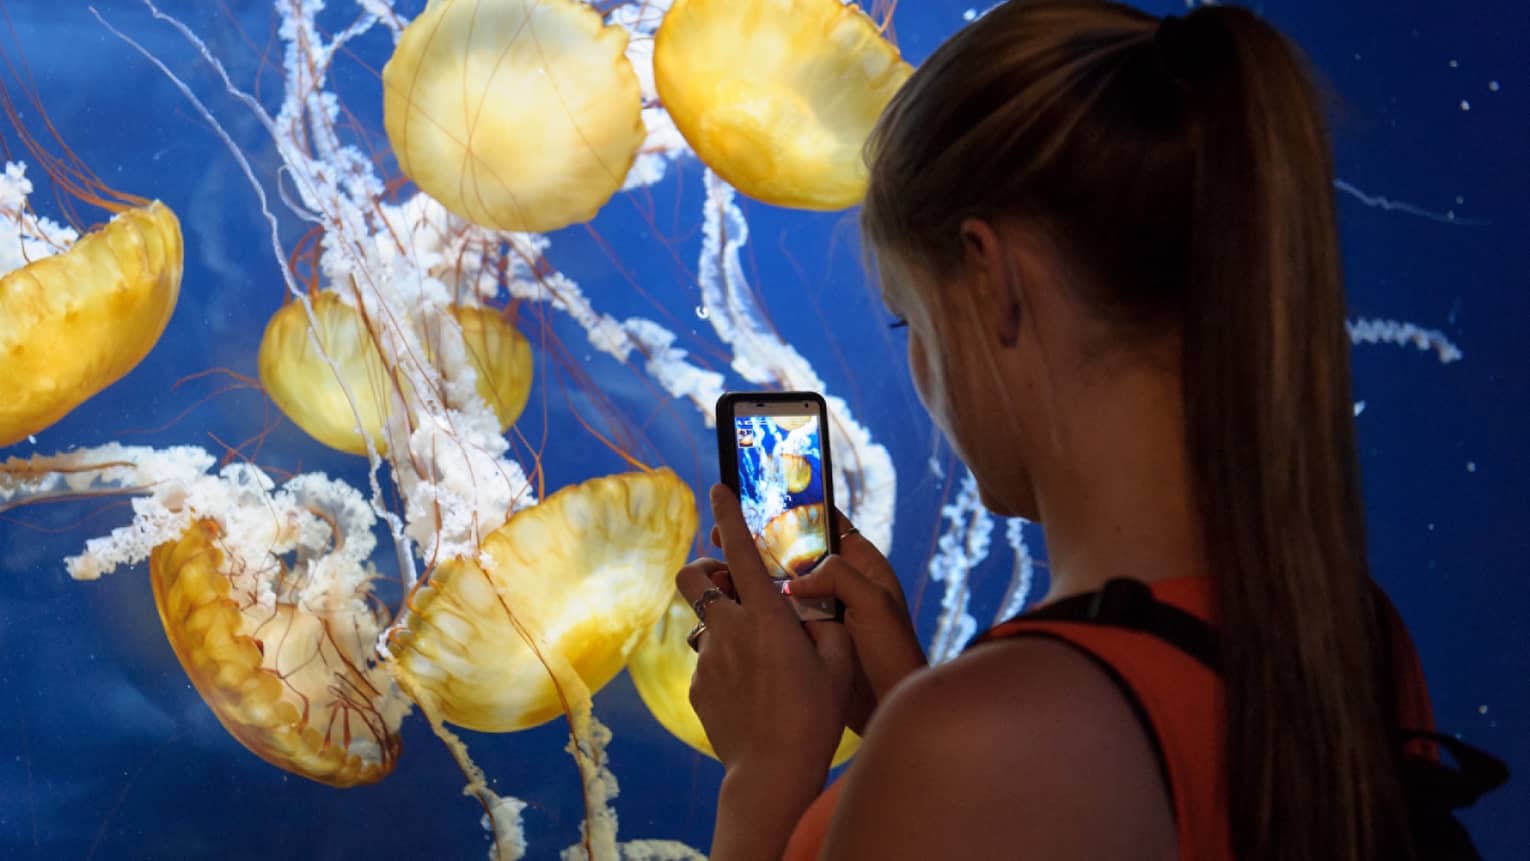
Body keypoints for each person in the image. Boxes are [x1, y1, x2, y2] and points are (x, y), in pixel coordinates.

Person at [674, 2, 1434, 858]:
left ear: (994, 281)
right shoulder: (1357, 641)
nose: (923, 369)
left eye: (908, 322)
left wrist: (766, 776)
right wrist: (902, 710)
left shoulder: (977, 745)